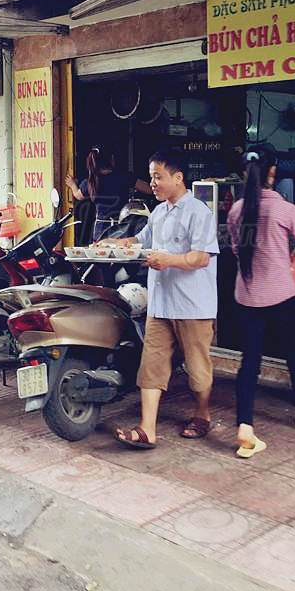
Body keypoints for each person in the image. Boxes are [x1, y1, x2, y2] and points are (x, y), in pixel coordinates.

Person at [108, 148, 219, 449]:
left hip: (193, 306)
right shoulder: (158, 212)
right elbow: (140, 240)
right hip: (160, 305)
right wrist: (115, 243)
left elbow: (201, 258)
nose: (153, 183)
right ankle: (147, 429)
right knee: (152, 365)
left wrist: (168, 260)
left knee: (198, 370)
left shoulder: (198, 212)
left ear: (178, 177)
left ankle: (202, 414)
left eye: (158, 177)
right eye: (151, 177)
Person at [226, 146, 295, 458]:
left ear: (244, 173)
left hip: (247, 297)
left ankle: (245, 426)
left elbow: (239, 250)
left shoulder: (237, 211)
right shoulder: (286, 211)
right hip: (281, 296)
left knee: (250, 362)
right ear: (273, 171)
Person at [65, 144, 151, 241]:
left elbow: (78, 195)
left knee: (101, 249)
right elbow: (148, 189)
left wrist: (72, 185)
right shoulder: (123, 177)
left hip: (100, 228)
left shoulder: (90, 182)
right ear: (111, 159)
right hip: (120, 227)